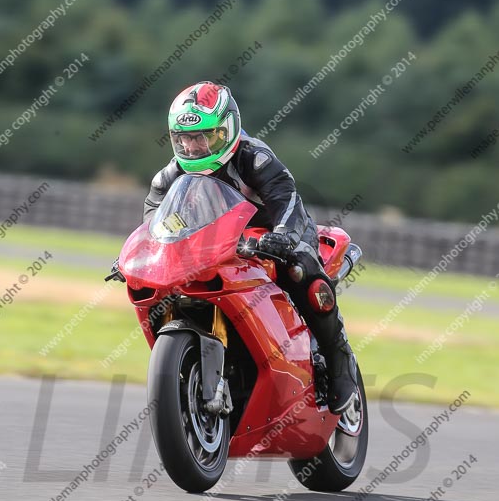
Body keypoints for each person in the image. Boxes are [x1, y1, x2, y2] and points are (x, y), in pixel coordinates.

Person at [140, 81, 359, 415]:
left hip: (276, 234)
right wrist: (145, 253)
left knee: (302, 270)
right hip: (220, 245)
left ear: (227, 129)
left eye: (203, 137)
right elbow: (153, 222)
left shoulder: (254, 159)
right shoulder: (169, 176)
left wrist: (284, 236)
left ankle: (338, 356)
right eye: (184, 139)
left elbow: (285, 198)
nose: (193, 146)